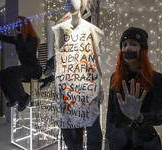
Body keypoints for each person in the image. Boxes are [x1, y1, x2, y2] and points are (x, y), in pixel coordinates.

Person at [51, 0, 104, 149]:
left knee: (93, 132)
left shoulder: (92, 29)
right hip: (68, 89)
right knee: (71, 136)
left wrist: (100, 86)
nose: (70, 1)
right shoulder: (60, 28)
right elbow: (59, 61)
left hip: (88, 88)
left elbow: (96, 59)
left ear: (83, 4)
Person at [105, 27, 162, 150]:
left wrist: (139, 117)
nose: (127, 48)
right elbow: (111, 113)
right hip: (118, 140)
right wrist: (107, 140)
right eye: (124, 44)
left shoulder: (157, 78)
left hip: (145, 141)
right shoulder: (115, 78)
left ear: (142, 49)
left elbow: (159, 116)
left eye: (133, 44)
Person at [0, 16, 42, 112]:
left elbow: (24, 48)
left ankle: (23, 95)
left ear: (25, 25)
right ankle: (12, 98)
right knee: (0, 74)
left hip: (34, 69)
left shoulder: (33, 39)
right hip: (25, 68)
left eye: (19, 24)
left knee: (11, 71)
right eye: (16, 24)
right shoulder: (17, 40)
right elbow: (2, 37)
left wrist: (19, 35)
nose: (17, 26)